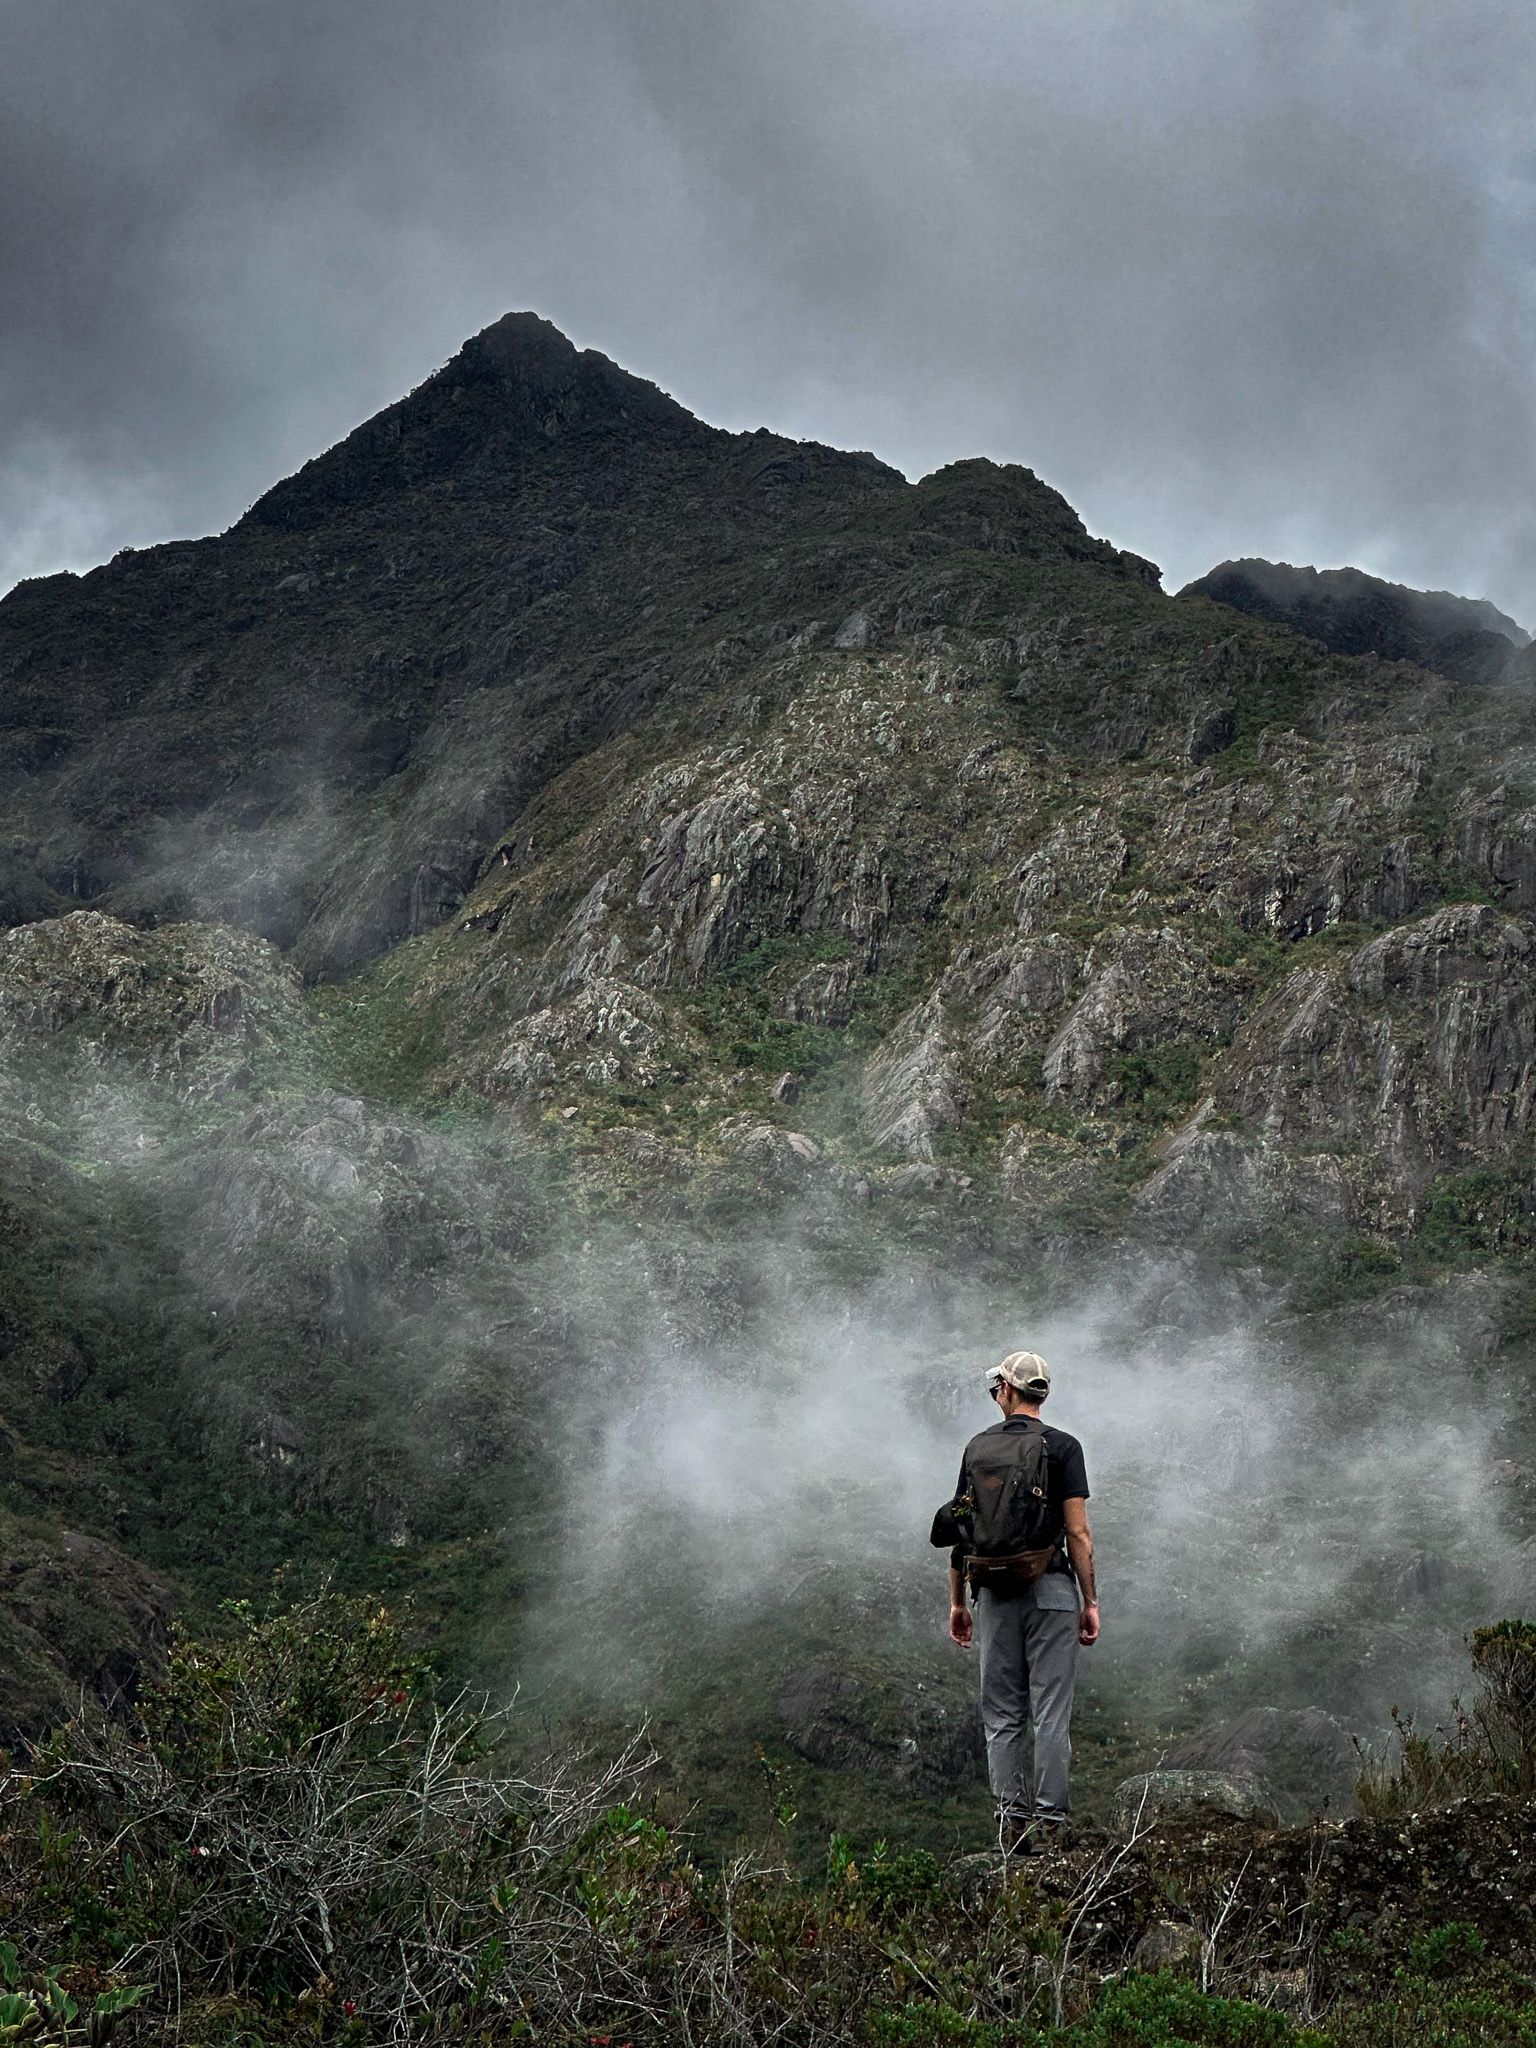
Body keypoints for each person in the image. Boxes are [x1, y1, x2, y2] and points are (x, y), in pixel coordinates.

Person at [946, 1350, 1099, 1851]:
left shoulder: (977, 1448)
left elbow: (961, 1531)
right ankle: (1051, 1826)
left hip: (992, 1593)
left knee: (1002, 1712)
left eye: (997, 1389)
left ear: (1008, 1392)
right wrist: (1089, 1600)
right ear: (1044, 1393)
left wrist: (958, 1603)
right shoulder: (1064, 1448)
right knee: (1051, 1711)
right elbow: (1077, 1532)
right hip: (1052, 1590)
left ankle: (1011, 1825)